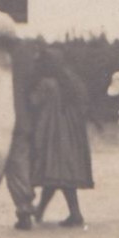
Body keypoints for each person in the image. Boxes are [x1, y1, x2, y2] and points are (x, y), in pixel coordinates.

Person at [28, 44, 93, 228]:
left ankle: (74, 214)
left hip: (53, 134)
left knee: (58, 174)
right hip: (71, 135)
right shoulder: (71, 80)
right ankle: (43, 210)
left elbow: (33, 103)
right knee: (58, 175)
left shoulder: (46, 84)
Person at [0, 9, 36, 231]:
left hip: (3, 122)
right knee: (19, 166)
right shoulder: (19, 59)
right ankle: (25, 210)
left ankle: (25, 210)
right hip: (19, 120)